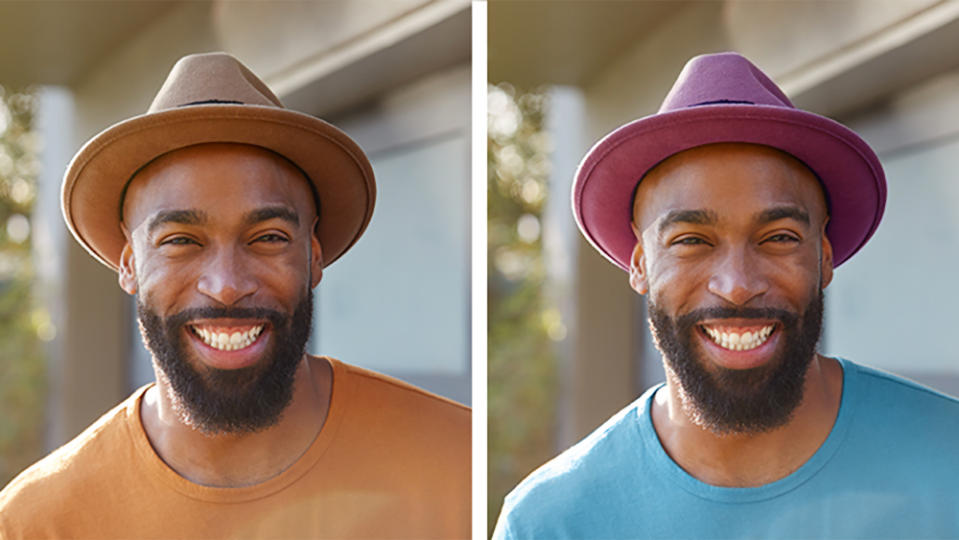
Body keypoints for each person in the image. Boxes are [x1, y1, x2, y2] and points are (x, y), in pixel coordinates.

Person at [0, 52, 469, 539]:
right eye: (180, 240)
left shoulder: (457, 466)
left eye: (267, 237)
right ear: (129, 262)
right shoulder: (36, 522)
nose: (226, 284)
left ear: (313, 256)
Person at [493, 52, 959, 539]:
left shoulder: (949, 462)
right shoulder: (551, 522)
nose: (737, 284)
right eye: (692, 241)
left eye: (778, 237)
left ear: (823, 257)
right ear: (640, 263)